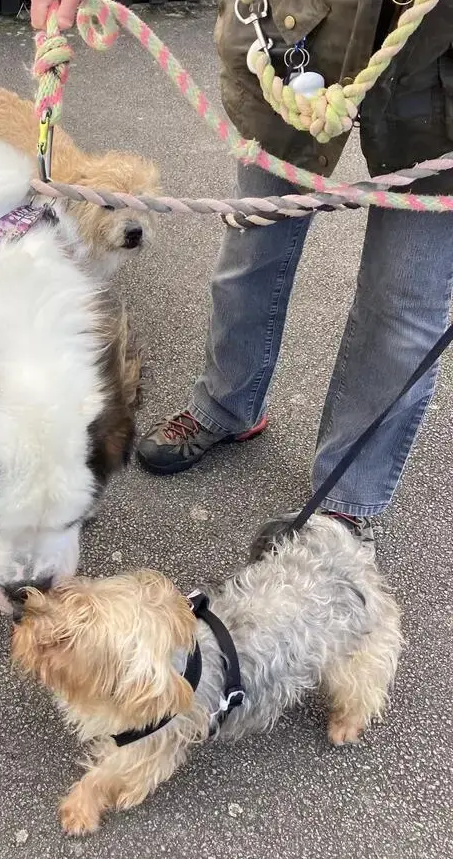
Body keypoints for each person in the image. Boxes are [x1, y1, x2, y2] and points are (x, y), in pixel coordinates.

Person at [32, 0, 453, 545]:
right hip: (295, 37)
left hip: (439, 62)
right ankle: (227, 405)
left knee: (403, 302)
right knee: (251, 252)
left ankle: (344, 502)